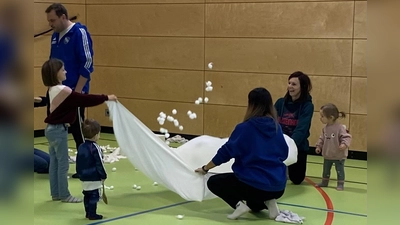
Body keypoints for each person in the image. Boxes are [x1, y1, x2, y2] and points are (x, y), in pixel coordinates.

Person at [195, 87, 288, 220]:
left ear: (251, 104)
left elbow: (226, 152)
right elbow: (284, 153)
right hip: (278, 186)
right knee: (255, 202)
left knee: (214, 182)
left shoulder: (245, 128)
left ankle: (239, 205)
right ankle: (270, 201)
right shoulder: (276, 127)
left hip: (255, 184)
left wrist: (205, 168)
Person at [42, 58, 117, 203]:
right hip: (58, 130)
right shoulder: (63, 91)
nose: (66, 71)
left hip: (51, 130)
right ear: (55, 73)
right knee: (63, 164)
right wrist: (106, 97)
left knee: (55, 163)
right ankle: (64, 195)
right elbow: (84, 99)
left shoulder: (52, 90)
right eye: (63, 70)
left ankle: (56, 193)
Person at [46, 3, 94, 179]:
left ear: (63, 17)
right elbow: (52, 64)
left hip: (74, 91)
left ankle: (86, 167)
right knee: (55, 127)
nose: (50, 24)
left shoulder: (79, 33)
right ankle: (58, 166)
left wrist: (78, 92)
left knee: (78, 130)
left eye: (53, 20)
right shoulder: (54, 36)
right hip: (57, 92)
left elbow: (87, 63)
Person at [274, 71, 314, 185]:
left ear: (303, 87)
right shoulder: (280, 103)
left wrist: (290, 146)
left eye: (294, 84)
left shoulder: (307, 106)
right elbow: (271, 121)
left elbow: (302, 129)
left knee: (297, 179)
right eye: (289, 83)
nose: (290, 86)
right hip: (279, 144)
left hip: (297, 146)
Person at [315, 103, 352, 191]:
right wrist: (318, 146)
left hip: (338, 155)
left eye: (322, 116)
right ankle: (324, 182)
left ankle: (340, 183)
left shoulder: (340, 128)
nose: (320, 118)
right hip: (328, 154)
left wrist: (344, 144)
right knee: (326, 170)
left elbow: (347, 137)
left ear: (330, 117)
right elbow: (322, 138)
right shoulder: (325, 128)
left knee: (339, 170)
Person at [76, 119, 107, 220]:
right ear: (96, 135)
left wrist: (79, 173)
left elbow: (78, 161)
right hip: (94, 176)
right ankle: (92, 214)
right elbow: (99, 163)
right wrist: (103, 175)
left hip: (83, 176)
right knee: (94, 195)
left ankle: (88, 212)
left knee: (87, 194)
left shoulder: (81, 146)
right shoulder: (95, 148)